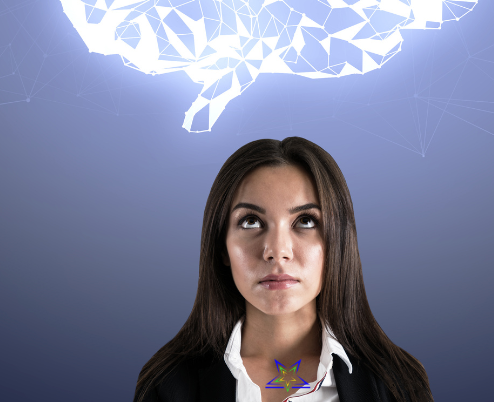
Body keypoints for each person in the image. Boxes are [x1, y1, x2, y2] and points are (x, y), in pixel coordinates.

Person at [134, 137, 432, 402]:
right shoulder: (168, 385)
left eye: (305, 221)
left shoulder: (399, 384)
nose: (277, 251)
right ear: (221, 247)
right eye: (250, 221)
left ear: (337, 243)